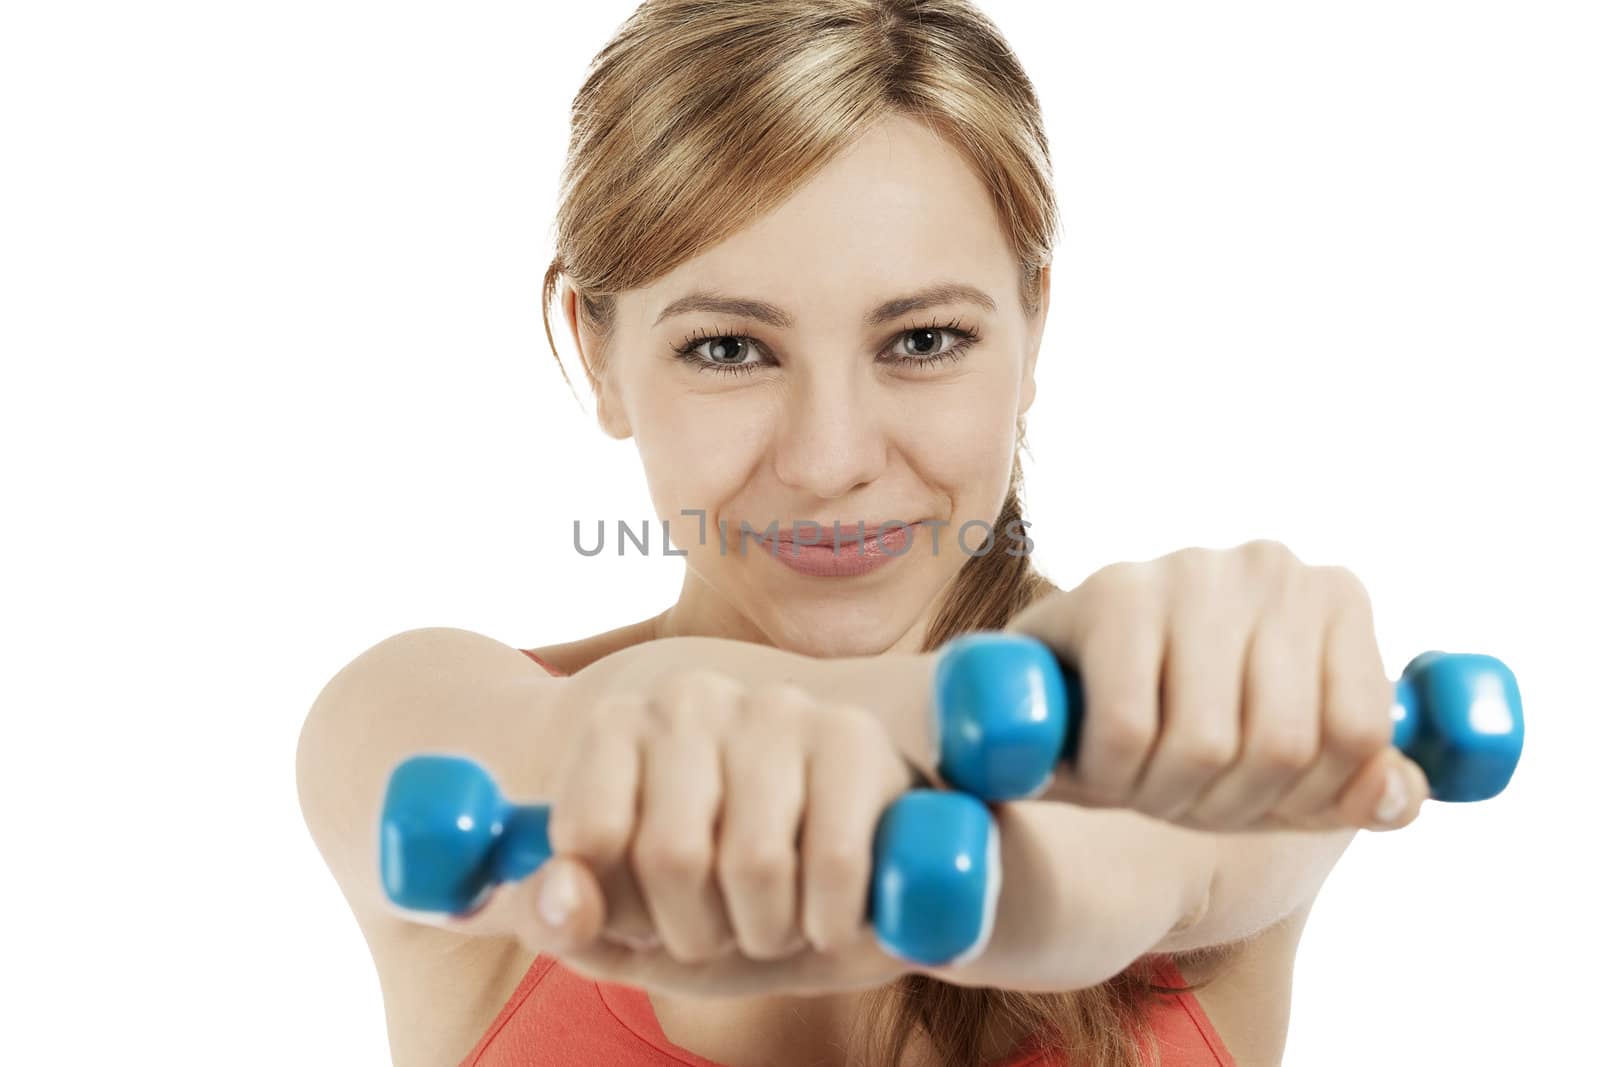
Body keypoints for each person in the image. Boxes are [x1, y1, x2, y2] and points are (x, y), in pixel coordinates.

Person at [295, 2, 1426, 1064]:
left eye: (924, 338)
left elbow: (1153, 861)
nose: (832, 458)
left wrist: (1103, 807)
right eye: (729, 348)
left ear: (1033, 327)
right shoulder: (414, 721)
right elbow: (613, 735)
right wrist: (1058, 698)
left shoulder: (1215, 747)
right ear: (594, 351)